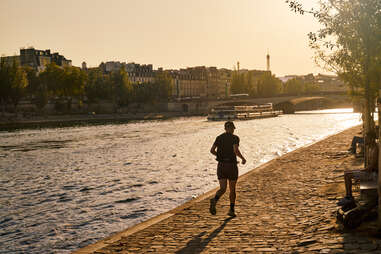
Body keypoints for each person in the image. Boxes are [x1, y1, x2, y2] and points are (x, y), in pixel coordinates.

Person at [209, 121, 246, 217]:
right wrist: (242, 158)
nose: (233, 130)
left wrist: (220, 155)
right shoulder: (235, 138)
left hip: (221, 165)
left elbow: (212, 150)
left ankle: (215, 200)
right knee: (232, 189)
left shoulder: (219, 137)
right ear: (232, 128)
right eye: (233, 128)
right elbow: (236, 150)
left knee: (222, 188)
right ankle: (231, 210)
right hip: (231, 166)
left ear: (225, 129)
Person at [338, 131, 378, 206]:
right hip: (369, 171)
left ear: (372, 139)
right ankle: (348, 196)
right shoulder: (370, 148)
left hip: (373, 174)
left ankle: (349, 197)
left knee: (348, 175)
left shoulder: (375, 149)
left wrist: (361, 171)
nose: (365, 140)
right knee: (346, 172)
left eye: (367, 138)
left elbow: (372, 166)